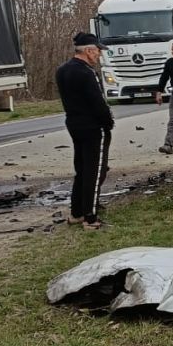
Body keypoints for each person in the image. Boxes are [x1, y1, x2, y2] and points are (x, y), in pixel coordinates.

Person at [55, 32, 113, 230]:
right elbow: (98, 102)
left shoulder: (62, 70)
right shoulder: (87, 73)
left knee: (81, 170)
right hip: (93, 127)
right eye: (97, 51)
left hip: (74, 123)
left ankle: (76, 212)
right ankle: (90, 217)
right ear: (88, 51)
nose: (99, 54)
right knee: (95, 172)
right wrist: (108, 122)